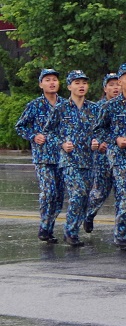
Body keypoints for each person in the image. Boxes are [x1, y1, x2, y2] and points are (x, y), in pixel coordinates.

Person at [90, 64, 126, 251]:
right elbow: (98, 129)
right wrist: (115, 139)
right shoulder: (110, 106)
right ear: (120, 81)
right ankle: (121, 234)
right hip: (118, 157)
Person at [45, 71, 98, 247]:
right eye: (77, 83)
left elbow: (103, 130)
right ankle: (70, 232)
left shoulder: (94, 109)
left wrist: (98, 141)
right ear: (69, 86)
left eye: (84, 83)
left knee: (85, 198)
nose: (81, 86)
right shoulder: (61, 108)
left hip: (89, 160)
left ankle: (73, 229)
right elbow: (49, 132)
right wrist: (61, 143)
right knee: (78, 193)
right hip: (69, 160)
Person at [17, 68, 65, 243]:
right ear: (41, 84)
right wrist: (33, 136)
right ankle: (44, 227)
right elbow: (20, 126)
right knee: (48, 192)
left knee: (59, 196)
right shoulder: (35, 105)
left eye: (54, 80)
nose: (52, 83)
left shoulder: (65, 105)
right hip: (43, 157)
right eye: (47, 80)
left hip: (62, 157)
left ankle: (49, 227)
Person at [83, 72, 121, 232]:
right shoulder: (96, 107)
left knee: (123, 192)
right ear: (105, 88)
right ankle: (88, 214)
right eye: (111, 85)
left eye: (118, 84)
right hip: (102, 156)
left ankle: (122, 226)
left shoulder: (125, 105)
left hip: (121, 155)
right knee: (100, 192)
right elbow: (90, 130)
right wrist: (97, 142)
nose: (115, 88)